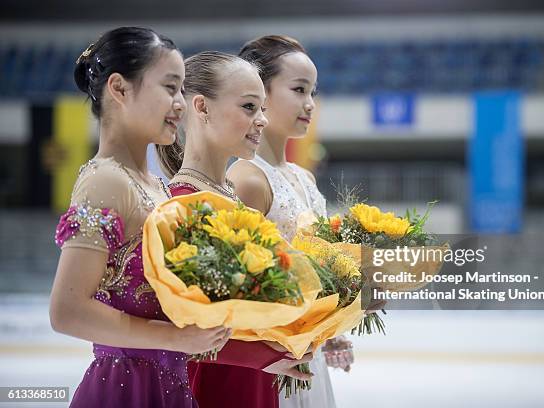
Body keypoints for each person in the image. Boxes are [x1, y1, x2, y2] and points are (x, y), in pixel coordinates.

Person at [49, 27, 231, 407]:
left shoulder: (157, 186)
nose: (180, 103)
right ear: (119, 88)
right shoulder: (105, 180)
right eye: (169, 87)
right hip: (124, 387)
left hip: (169, 384)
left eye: (181, 89)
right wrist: (175, 339)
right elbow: (66, 311)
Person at [156, 50, 313, 408]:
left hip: (259, 383)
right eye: (248, 107)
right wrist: (266, 354)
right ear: (201, 107)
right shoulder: (181, 205)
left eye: (262, 109)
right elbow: (177, 332)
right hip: (216, 389)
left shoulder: (232, 198)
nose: (261, 121)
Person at [228, 35, 354, 408]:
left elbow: (318, 271)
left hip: (305, 355)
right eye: (299, 90)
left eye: (313, 91)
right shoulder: (246, 179)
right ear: (260, 93)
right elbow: (235, 292)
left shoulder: (304, 177)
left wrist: (328, 328)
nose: (310, 103)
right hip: (270, 366)